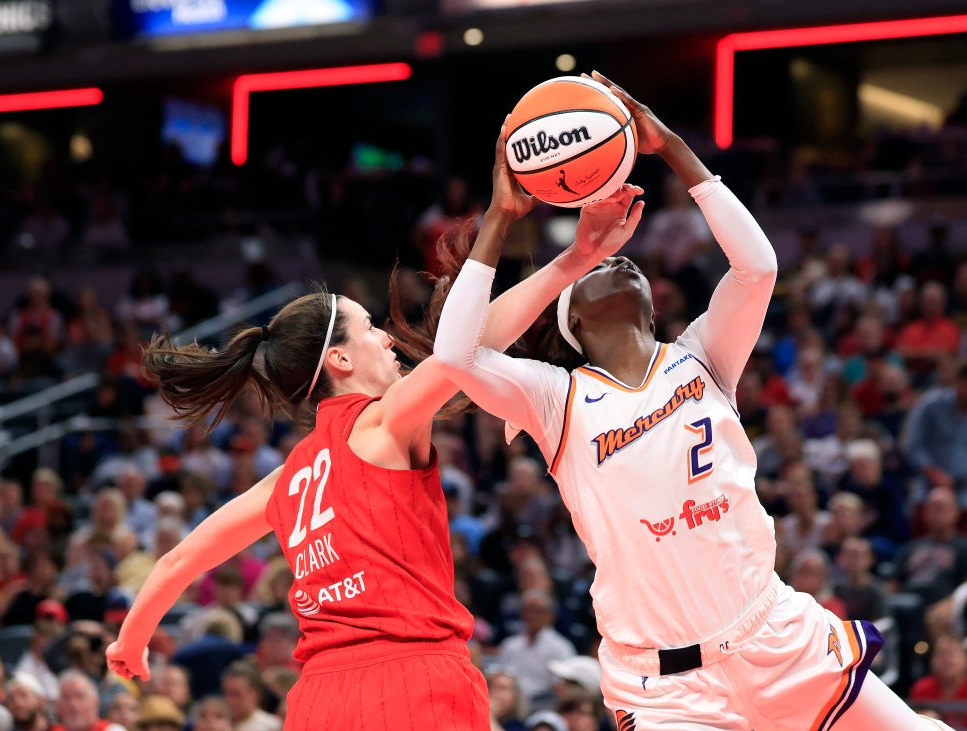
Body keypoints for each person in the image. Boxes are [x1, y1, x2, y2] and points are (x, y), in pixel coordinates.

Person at [433, 70, 955, 730]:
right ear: (576, 325)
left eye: (624, 263)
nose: (616, 263)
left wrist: (675, 149)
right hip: (667, 687)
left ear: (654, 306)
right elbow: (453, 357)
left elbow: (757, 266)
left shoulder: (702, 355)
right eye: (593, 272)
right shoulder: (555, 397)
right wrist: (508, 221)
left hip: (776, 636)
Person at [105, 145, 641, 730]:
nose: (387, 339)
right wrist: (570, 257)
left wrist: (130, 643)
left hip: (318, 703)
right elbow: (467, 349)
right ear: (338, 358)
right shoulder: (385, 421)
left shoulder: (283, 482)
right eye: (370, 330)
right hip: (416, 682)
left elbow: (178, 560)